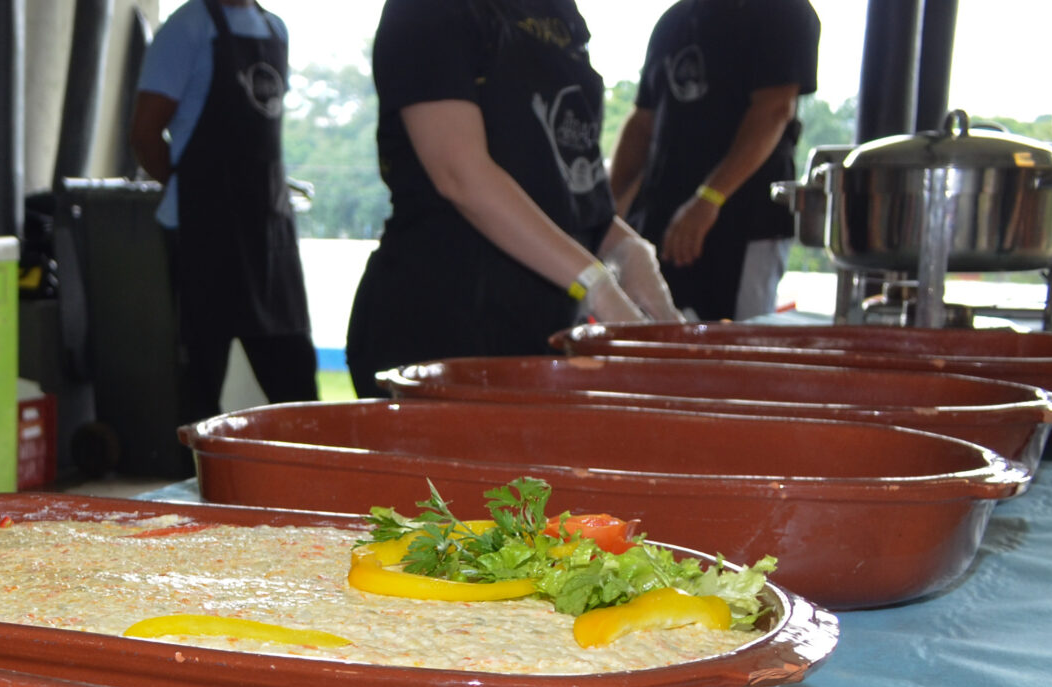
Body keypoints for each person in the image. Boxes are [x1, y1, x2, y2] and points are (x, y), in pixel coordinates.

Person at [344, 0, 680, 397]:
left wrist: (626, 249)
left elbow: (569, 194)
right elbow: (460, 176)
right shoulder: (428, 11)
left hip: (540, 330)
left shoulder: (559, 11)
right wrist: (595, 283)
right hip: (443, 320)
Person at [130, 0, 317, 424]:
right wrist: (195, 189)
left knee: (298, 389)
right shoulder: (187, 29)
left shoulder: (276, 30)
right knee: (198, 390)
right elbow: (144, 135)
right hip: (204, 237)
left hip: (270, 237)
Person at [607, 0, 819, 322]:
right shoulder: (674, 20)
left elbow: (775, 109)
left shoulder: (782, 10)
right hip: (660, 223)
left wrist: (708, 198)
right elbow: (642, 123)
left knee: (739, 342)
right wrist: (605, 211)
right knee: (652, 338)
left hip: (744, 224)